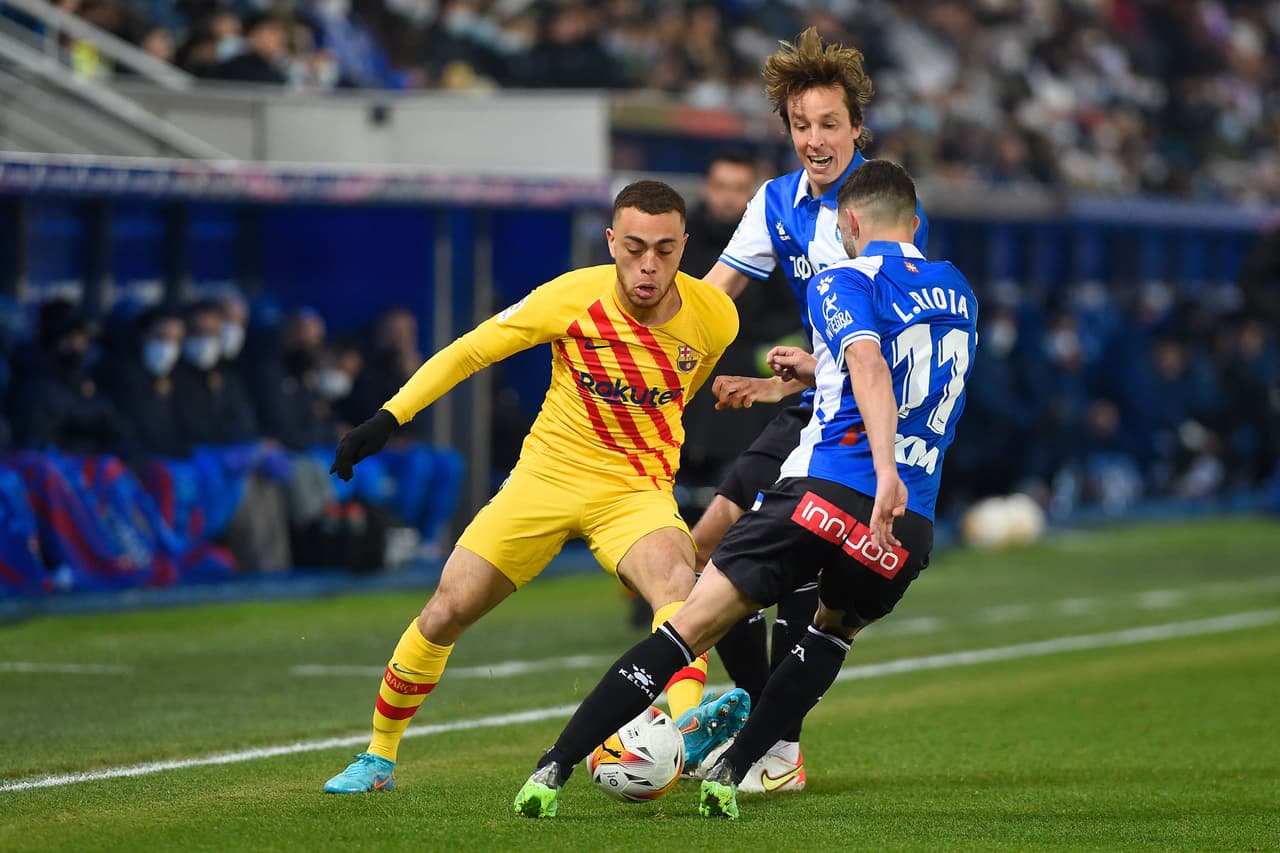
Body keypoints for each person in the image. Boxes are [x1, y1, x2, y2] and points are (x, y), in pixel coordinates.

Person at [514, 159, 976, 821]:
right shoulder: (957, 288)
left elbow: (870, 365)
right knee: (832, 633)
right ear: (917, 221)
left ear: (849, 221)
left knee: (688, 625)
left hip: (829, 488)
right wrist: (811, 373)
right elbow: (900, 374)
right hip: (908, 523)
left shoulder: (842, 278)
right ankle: (739, 769)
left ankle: (552, 768)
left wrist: (883, 471)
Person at [322, 180, 748, 795]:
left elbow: (682, 391)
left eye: (664, 249)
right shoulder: (569, 296)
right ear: (611, 242)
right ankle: (378, 757)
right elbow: (471, 351)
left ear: (684, 246)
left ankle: (684, 730)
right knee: (446, 609)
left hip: (634, 491)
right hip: (545, 479)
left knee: (680, 590)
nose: (648, 265)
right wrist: (390, 417)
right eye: (634, 248)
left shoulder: (715, 317)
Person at [691, 26, 930, 792]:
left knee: (803, 567)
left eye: (829, 123)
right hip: (813, 407)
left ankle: (773, 742)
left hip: (864, 422)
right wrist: (653, 358)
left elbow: (885, 346)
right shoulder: (776, 202)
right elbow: (712, 299)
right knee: (705, 546)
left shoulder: (880, 211)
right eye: (801, 125)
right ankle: (766, 725)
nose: (815, 140)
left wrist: (795, 377)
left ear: (858, 127)